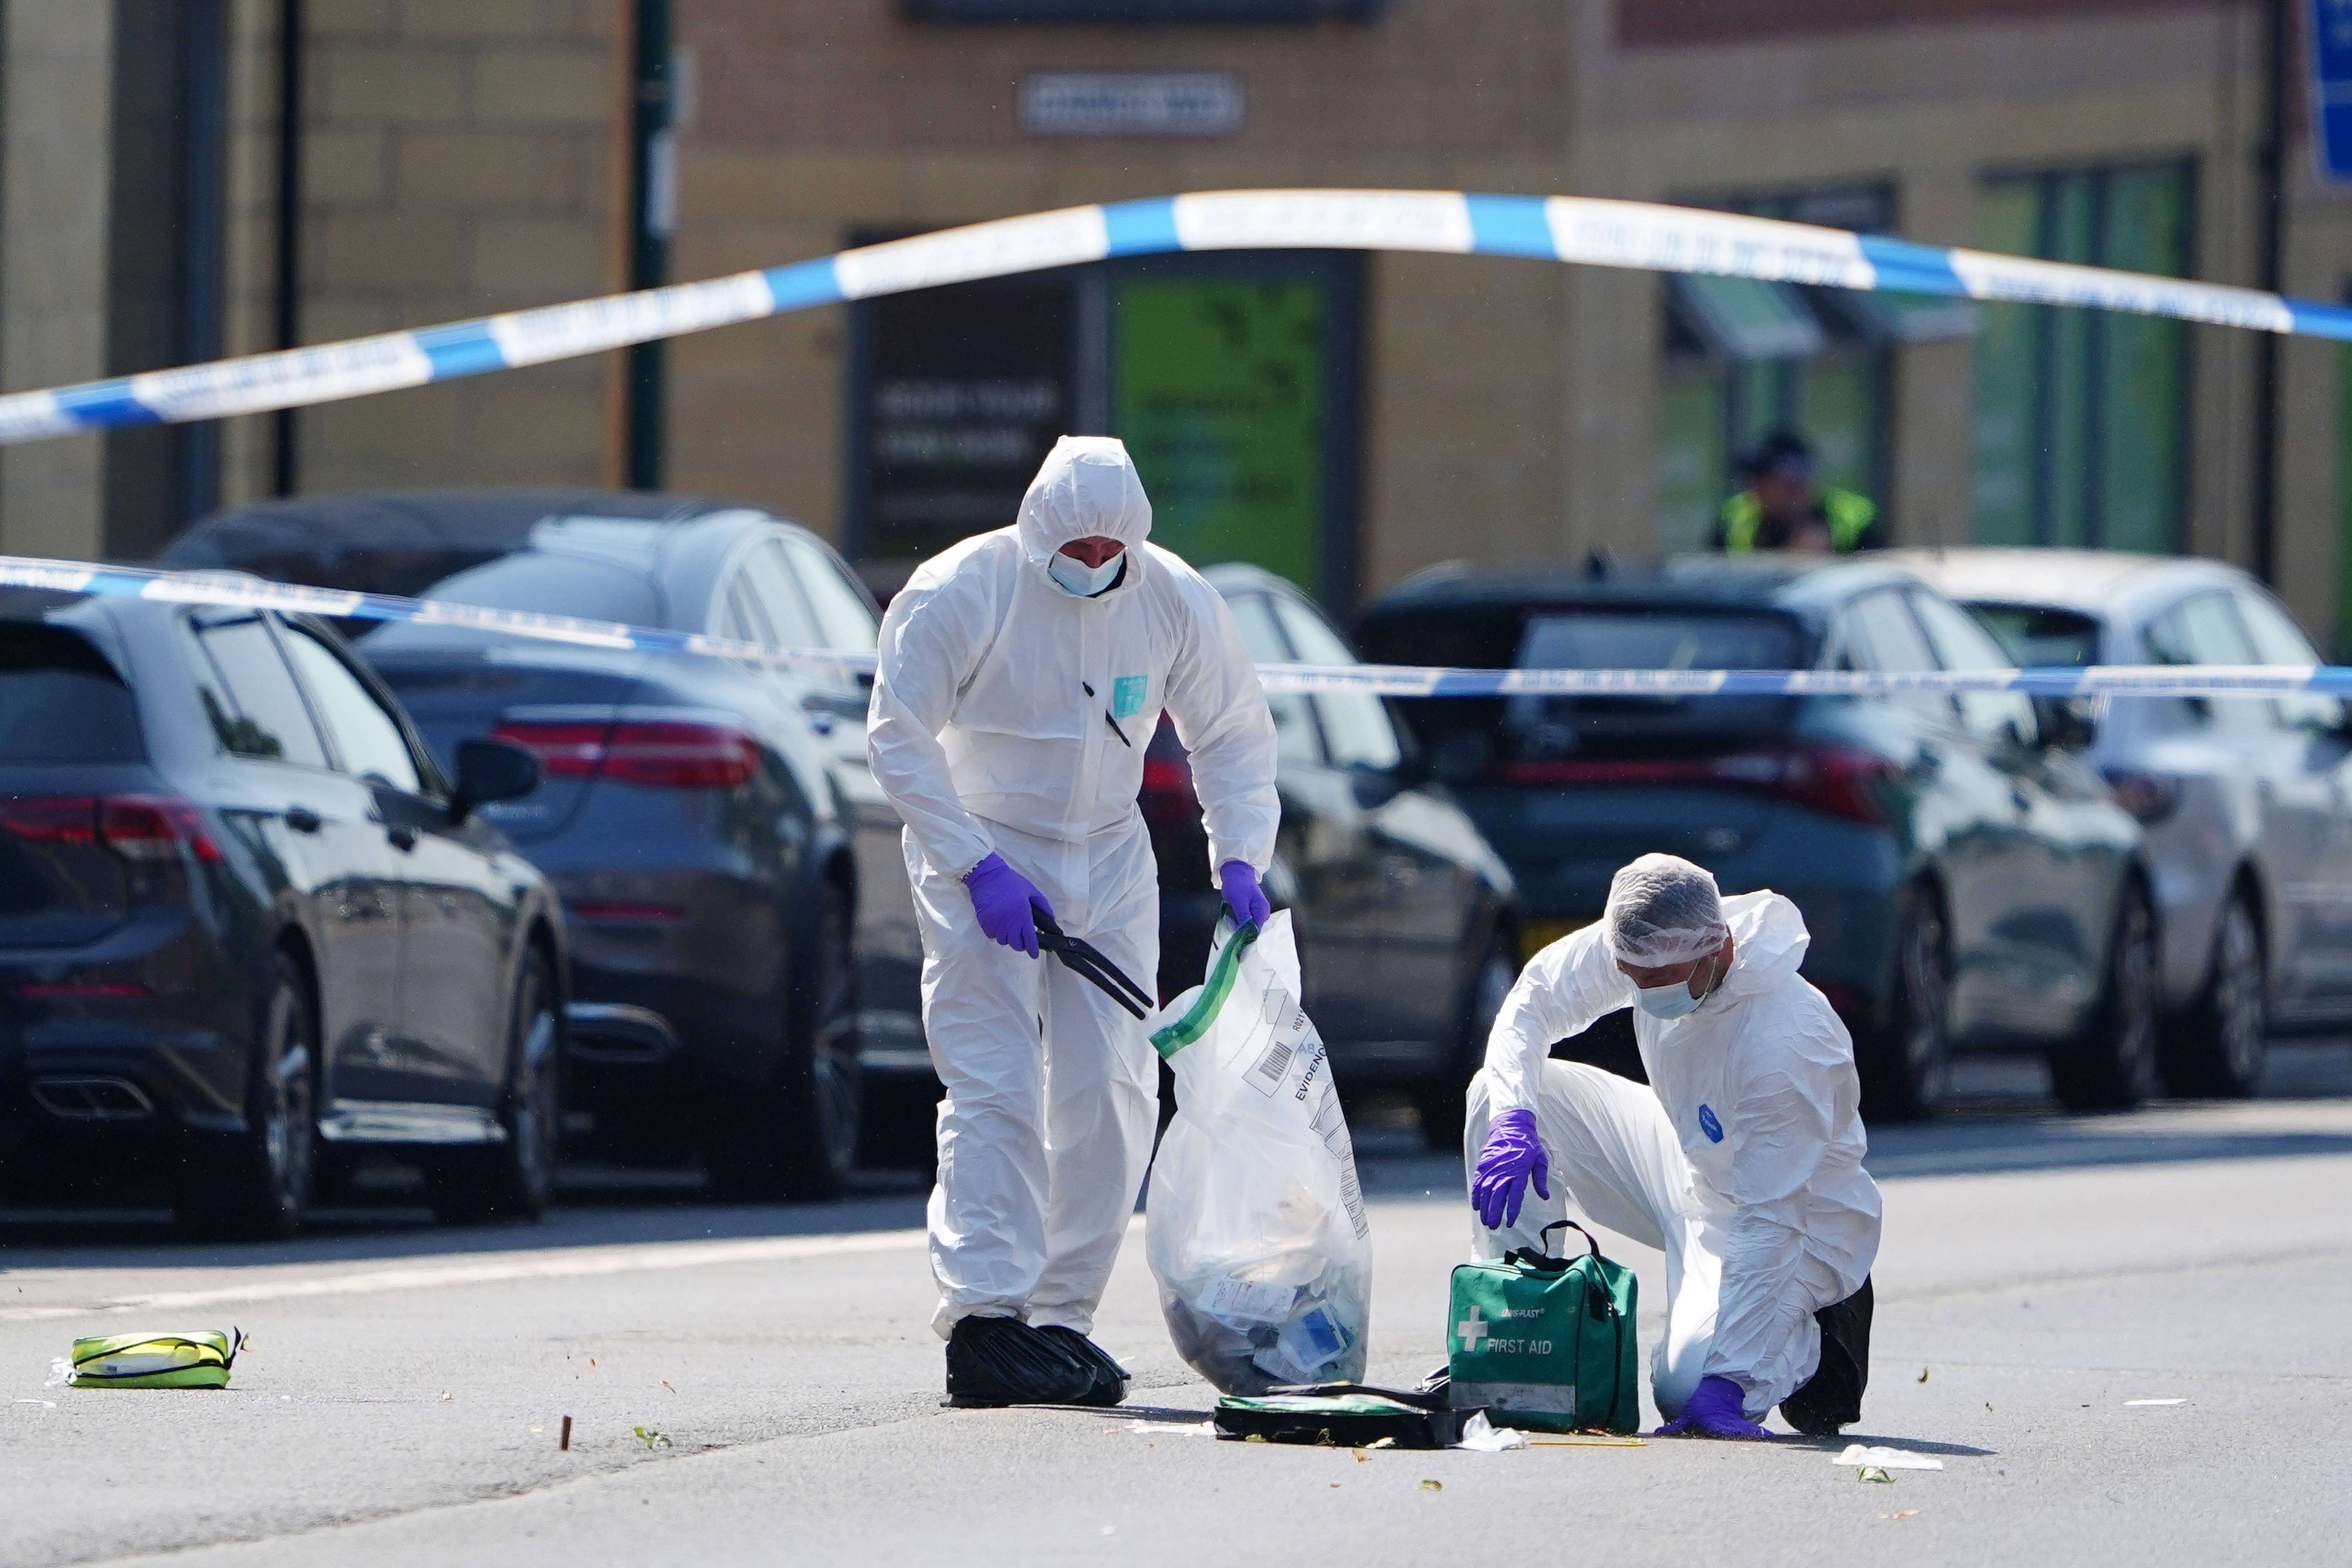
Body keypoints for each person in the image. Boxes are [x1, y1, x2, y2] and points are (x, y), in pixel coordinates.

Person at [868, 434, 1279, 1409]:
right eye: (1076, 549)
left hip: (1108, 853)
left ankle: (1058, 1319)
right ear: (1037, 529)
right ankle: (984, 1314)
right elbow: (898, 738)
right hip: (979, 845)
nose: (1093, 564)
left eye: (1110, 551)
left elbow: (1229, 728)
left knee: (1114, 1084)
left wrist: (1241, 852)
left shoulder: (1171, 597)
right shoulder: (961, 590)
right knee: (994, 1080)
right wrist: (976, 866)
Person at [1463, 853, 1881, 1439]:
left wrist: (1730, 1380)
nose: (1641, 988)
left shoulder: (1785, 1043)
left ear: (1719, 949)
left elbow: (1770, 1218)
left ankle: (1816, 1340)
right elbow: (1531, 1006)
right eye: (1629, 973)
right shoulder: (1648, 941)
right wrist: (1514, 1121)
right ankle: (1526, 1336)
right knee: (1500, 1092)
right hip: (1690, 1159)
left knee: (1684, 1391)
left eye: (1658, 980)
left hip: (1789, 1218)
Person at [1712, 431, 1884, 554]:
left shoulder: (1853, 518)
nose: (1756, 491)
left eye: (1768, 482)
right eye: (1754, 482)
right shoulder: (1734, 518)